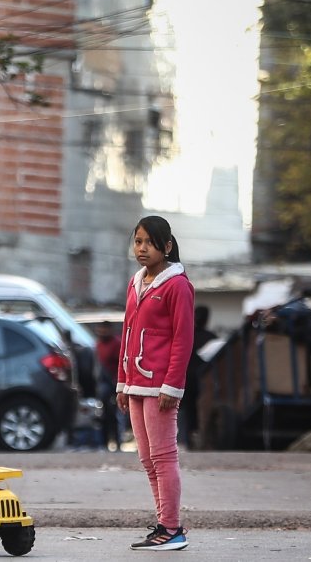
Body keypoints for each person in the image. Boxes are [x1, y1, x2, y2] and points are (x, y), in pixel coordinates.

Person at [116, 215, 194, 551]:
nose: (142, 248)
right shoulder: (136, 284)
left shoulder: (178, 286)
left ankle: (172, 528)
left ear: (167, 246)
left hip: (161, 387)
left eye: (149, 242)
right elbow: (127, 334)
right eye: (137, 241)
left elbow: (183, 339)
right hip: (135, 385)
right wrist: (122, 382)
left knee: (164, 457)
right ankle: (164, 524)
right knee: (147, 460)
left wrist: (171, 386)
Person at [179, 305, 216, 448]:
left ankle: (185, 440)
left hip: (186, 379)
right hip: (203, 381)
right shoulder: (211, 338)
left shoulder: (185, 334)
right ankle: (201, 439)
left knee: (185, 410)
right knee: (201, 409)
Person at [94, 320, 123, 452]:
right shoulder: (99, 344)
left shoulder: (116, 343)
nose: (102, 332)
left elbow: (120, 364)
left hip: (114, 383)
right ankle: (104, 443)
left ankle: (117, 442)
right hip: (103, 385)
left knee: (115, 415)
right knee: (103, 416)